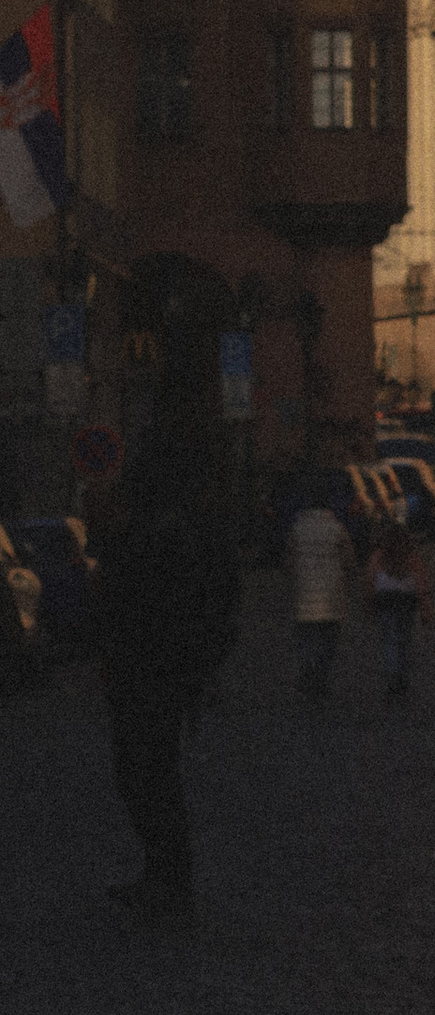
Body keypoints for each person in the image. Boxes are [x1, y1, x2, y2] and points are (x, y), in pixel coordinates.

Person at [91, 388, 240, 921]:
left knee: (148, 774)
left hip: (151, 674)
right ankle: (163, 874)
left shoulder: (159, 539)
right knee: (144, 775)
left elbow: (151, 609)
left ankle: (169, 880)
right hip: (147, 672)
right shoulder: (154, 533)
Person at [288, 479, 355, 696]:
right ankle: (322, 674)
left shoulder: (297, 529)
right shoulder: (336, 529)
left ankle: (308, 668)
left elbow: (288, 561)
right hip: (331, 594)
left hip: (305, 593)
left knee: (306, 635)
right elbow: (349, 561)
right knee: (329, 637)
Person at [368, 505, 425, 702]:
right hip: (406, 602)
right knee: (405, 639)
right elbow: (420, 582)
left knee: (390, 640)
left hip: (386, 601)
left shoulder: (379, 556)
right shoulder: (411, 557)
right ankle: (402, 675)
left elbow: (370, 580)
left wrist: (368, 605)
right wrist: (426, 607)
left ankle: (393, 674)